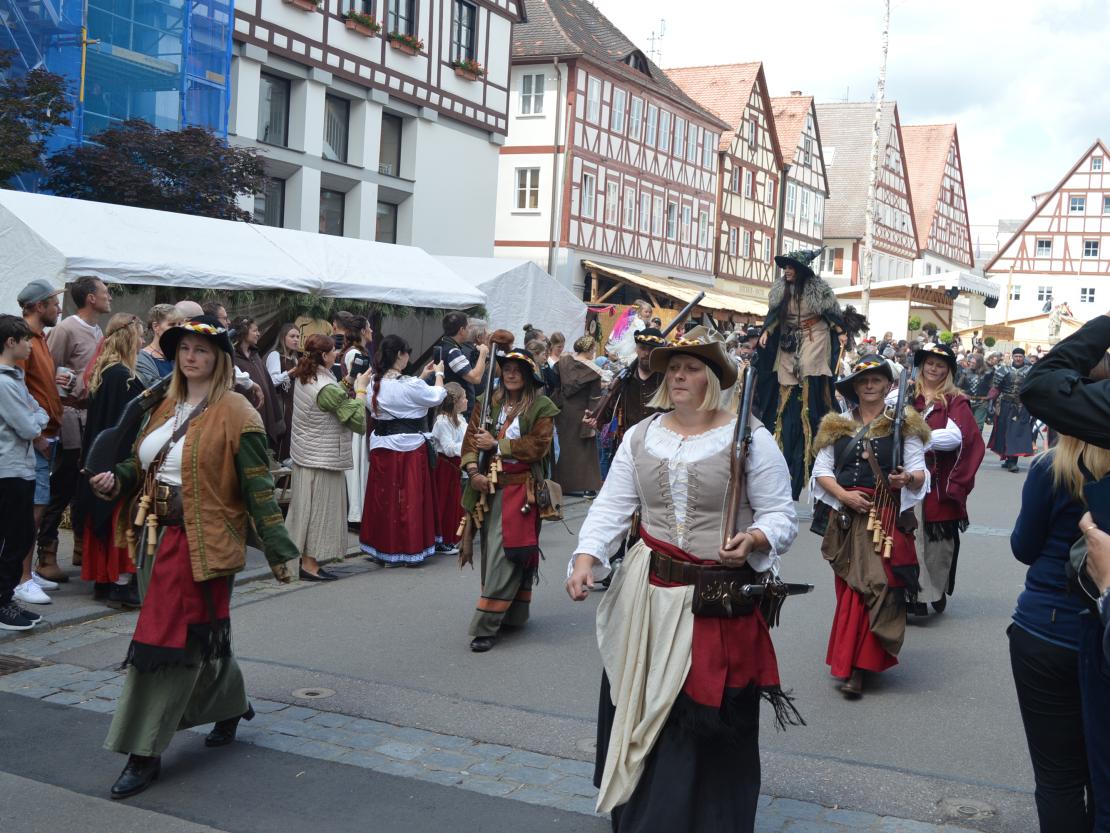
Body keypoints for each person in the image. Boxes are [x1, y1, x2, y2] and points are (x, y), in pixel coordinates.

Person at [566, 330, 799, 830]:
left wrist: (756, 537)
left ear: (713, 379)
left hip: (716, 600)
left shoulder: (751, 438)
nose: (678, 376)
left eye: (691, 368)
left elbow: (782, 514)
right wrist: (587, 556)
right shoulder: (642, 435)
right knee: (645, 709)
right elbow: (613, 506)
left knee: (702, 720)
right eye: (672, 368)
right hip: (648, 595)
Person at [87, 316, 297, 800]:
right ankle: (230, 704)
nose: (191, 356)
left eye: (202, 349)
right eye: (184, 348)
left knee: (163, 643)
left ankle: (143, 751)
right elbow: (140, 462)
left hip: (202, 541)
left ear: (219, 357)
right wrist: (115, 480)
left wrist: (281, 550)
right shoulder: (162, 405)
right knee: (199, 631)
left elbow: (259, 488)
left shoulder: (237, 411)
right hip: (153, 539)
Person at [811, 356, 930, 698]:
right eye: (863, 380)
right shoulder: (836, 425)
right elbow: (822, 471)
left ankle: (863, 662)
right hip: (848, 517)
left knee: (878, 584)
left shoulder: (904, 424)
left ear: (887, 385)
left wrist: (906, 477)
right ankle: (853, 666)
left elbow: (920, 472)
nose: (869, 385)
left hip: (886, 516)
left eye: (876, 379)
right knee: (851, 589)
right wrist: (845, 497)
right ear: (855, 387)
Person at [1009, 432, 1110, 832]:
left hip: (1049, 629)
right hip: (1088, 631)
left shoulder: (1054, 466)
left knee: (1058, 778)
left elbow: (1024, 546)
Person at [460, 349, 558, 652]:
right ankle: (513, 614)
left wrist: (498, 444)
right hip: (488, 491)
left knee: (511, 553)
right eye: (507, 368)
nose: (511, 373)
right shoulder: (488, 402)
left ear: (528, 375)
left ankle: (486, 624)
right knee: (493, 555)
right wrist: (474, 471)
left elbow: (538, 446)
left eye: (518, 369)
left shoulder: (542, 406)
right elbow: (470, 440)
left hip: (522, 490)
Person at [756, 248, 852, 500]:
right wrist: (767, 331)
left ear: (801, 270)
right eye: (785, 266)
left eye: (791, 267)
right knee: (786, 382)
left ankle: (812, 419)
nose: (786, 270)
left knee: (811, 373)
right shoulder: (780, 290)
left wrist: (841, 331)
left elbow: (831, 314)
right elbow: (774, 315)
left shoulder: (818, 289)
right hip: (789, 338)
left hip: (816, 335)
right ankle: (785, 432)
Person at [37, 276, 112, 584]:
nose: (110, 298)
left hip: (89, 418)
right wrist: (62, 379)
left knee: (84, 487)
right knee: (63, 485)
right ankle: (47, 554)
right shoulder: (66, 328)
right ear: (91, 298)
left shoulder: (98, 331)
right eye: (105, 292)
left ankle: (81, 546)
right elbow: (46, 367)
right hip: (68, 417)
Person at [905, 343, 985, 615]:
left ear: (948, 370)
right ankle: (912, 593)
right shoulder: (905, 394)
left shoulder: (955, 399)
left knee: (937, 542)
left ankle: (934, 591)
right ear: (922, 365)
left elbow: (956, 437)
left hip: (939, 482)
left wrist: (916, 439)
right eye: (929, 363)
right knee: (908, 536)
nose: (933, 368)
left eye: (940, 365)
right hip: (907, 479)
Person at [286, 334, 370, 581]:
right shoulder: (324, 386)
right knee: (319, 514)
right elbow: (356, 420)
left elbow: (330, 398)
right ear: (323, 356)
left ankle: (302, 562)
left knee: (305, 512)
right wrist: (361, 390)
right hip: (321, 458)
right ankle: (310, 565)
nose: (338, 354)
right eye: (334, 351)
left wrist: (349, 380)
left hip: (308, 454)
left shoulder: (306, 375)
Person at [79, 314, 146, 609]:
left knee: (105, 517)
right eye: (140, 335)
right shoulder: (123, 377)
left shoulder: (104, 372)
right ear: (130, 337)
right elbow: (124, 425)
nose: (142, 342)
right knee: (120, 519)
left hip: (100, 458)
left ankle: (104, 582)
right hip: (117, 459)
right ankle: (119, 583)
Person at [360, 335, 445, 567]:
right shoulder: (410, 385)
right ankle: (410, 549)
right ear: (400, 354)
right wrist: (439, 374)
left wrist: (422, 377)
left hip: (382, 445)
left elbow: (398, 397)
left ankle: (383, 548)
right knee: (410, 499)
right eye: (407, 352)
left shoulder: (373, 383)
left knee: (384, 498)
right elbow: (436, 396)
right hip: (410, 447)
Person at [14, 280, 67, 608]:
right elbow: (17, 391)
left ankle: (27, 572)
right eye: (52, 303)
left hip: (46, 435)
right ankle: (21, 579)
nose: (58, 308)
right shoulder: (24, 342)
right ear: (37, 306)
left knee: (37, 508)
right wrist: (37, 435)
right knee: (30, 511)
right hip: (36, 439)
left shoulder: (41, 339)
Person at [0, 315, 50, 630]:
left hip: (22, 468)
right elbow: (29, 425)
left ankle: (5, 599)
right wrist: (35, 418)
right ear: (10, 342)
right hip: (9, 469)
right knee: (14, 537)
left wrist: (36, 417)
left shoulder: (14, 377)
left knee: (21, 535)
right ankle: (2, 602)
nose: (31, 345)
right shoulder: (4, 383)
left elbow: (40, 411)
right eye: (26, 340)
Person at [589, 327, 666, 452]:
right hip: (627, 446)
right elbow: (610, 410)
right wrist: (596, 417)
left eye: (651, 349)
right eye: (642, 348)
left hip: (659, 447)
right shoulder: (623, 378)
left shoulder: (667, 380)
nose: (646, 353)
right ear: (636, 349)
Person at [551, 336, 603, 497]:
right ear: (589, 350)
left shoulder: (562, 363)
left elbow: (555, 385)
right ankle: (587, 485)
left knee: (564, 447)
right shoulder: (594, 371)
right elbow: (594, 398)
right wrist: (594, 417)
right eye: (593, 349)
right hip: (583, 413)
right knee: (585, 449)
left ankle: (561, 484)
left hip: (563, 411)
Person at [230, 317, 284, 452]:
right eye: (255, 330)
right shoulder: (233, 359)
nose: (258, 333)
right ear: (243, 332)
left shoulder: (255, 356)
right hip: (244, 416)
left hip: (264, 413)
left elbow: (269, 387)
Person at [341, 315, 373, 526]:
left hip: (362, 408)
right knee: (357, 461)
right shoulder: (354, 353)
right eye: (370, 328)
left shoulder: (359, 352)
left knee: (361, 461)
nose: (372, 332)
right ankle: (356, 514)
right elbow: (360, 383)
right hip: (357, 408)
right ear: (362, 330)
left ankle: (359, 512)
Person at [430, 382, 467, 555]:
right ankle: (442, 539)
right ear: (456, 401)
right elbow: (448, 448)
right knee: (444, 503)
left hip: (454, 467)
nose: (467, 401)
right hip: (444, 467)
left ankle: (453, 537)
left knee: (454, 501)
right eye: (464, 398)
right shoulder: (442, 422)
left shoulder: (460, 419)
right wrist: (468, 444)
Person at [989, 347, 1035, 472]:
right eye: (1016, 356)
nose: (1018, 358)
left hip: (1021, 407)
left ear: (1023, 357)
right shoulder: (1003, 369)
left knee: (1016, 433)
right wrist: (990, 402)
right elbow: (996, 388)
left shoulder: (1031, 371)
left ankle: (1013, 461)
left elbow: (1033, 390)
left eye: (1020, 356)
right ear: (1013, 357)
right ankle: (1008, 458)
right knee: (1004, 431)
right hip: (1005, 405)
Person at [439, 312, 489, 417]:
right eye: (467, 328)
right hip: (455, 412)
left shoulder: (447, 345)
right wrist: (483, 354)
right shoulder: (452, 351)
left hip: (452, 409)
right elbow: (475, 378)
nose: (469, 331)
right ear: (462, 330)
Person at [265, 323, 301, 464]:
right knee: (281, 438)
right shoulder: (275, 356)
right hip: (280, 405)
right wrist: (290, 373)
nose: (296, 339)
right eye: (292, 336)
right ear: (283, 338)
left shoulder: (294, 359)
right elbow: (272, 381)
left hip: (292, 404)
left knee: (290, 440)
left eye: (298, 336)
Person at [135, 305, 183, 387]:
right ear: (156, 326)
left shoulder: (182, 354)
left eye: (179, 324)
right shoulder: (141, 358)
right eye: (172, 324)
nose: (178, 328)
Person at [958, 352, 993, 431]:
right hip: (967, 401)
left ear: (979, 363)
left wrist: (988, 398)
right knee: (965, 424)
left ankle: (977, 442)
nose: (971, 364)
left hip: (982, 402)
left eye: (974, 363)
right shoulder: (965, 372)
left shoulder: (988, 373)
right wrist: (963, 394)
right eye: (970, 362)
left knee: (978, 426)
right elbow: (958, 386)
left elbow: (993, 388)